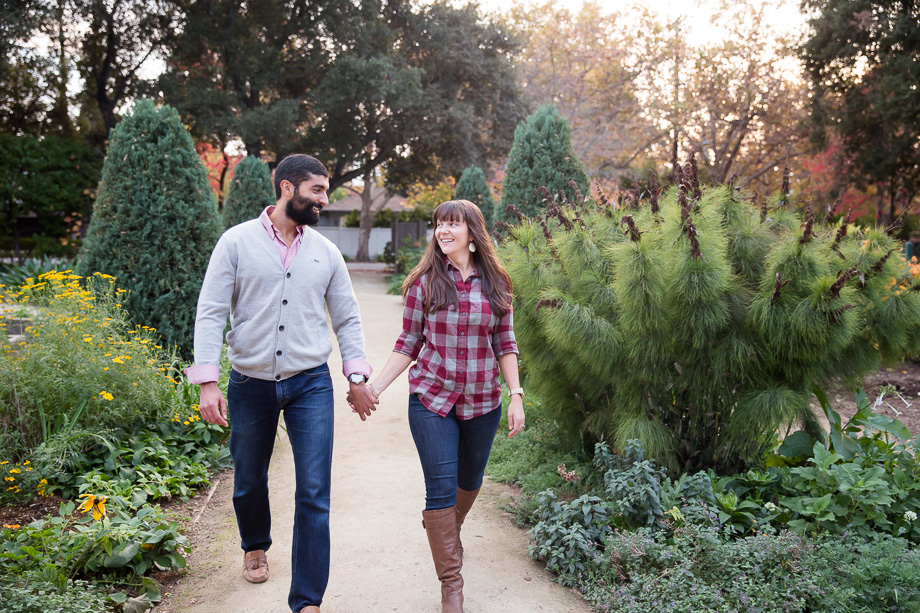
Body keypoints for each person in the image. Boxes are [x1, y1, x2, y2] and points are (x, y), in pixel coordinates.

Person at [186, 154, 378, 613]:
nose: (323, 200)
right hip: (250, 382)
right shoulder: (236, 243)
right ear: (287, 189)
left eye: (325, 191)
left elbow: (347, 317)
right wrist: (207, 381)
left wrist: (355, 376)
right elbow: (211, 310)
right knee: (249, 478)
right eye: (316, 191)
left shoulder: (325, 251)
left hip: (310, 383)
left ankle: (307, 600)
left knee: (314, 489)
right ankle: (255, 543)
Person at [349, 199, 525, 613]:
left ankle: (450, 529)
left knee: (470, 480)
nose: (443, 230)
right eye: (439, 224)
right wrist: (374, 387)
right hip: (432, 399)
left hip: (484, 400)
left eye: (452, 224)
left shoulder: (497, 281)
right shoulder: (424, 282)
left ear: (472, 233)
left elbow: (505, 343)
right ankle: (452, 586)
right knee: (441, 488)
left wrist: (516, 395)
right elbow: (408, 343)